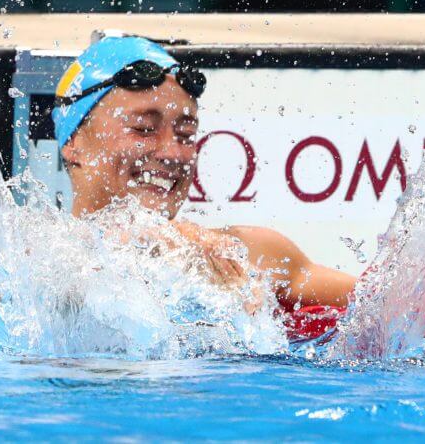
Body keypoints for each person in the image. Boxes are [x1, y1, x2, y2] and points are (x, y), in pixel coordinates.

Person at [52, 36, 356, 313]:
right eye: (144, 129)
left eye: (185, 134)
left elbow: (383, 308)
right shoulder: (41, 261)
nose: (173, 153)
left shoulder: (247, 255)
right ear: (73, 143)